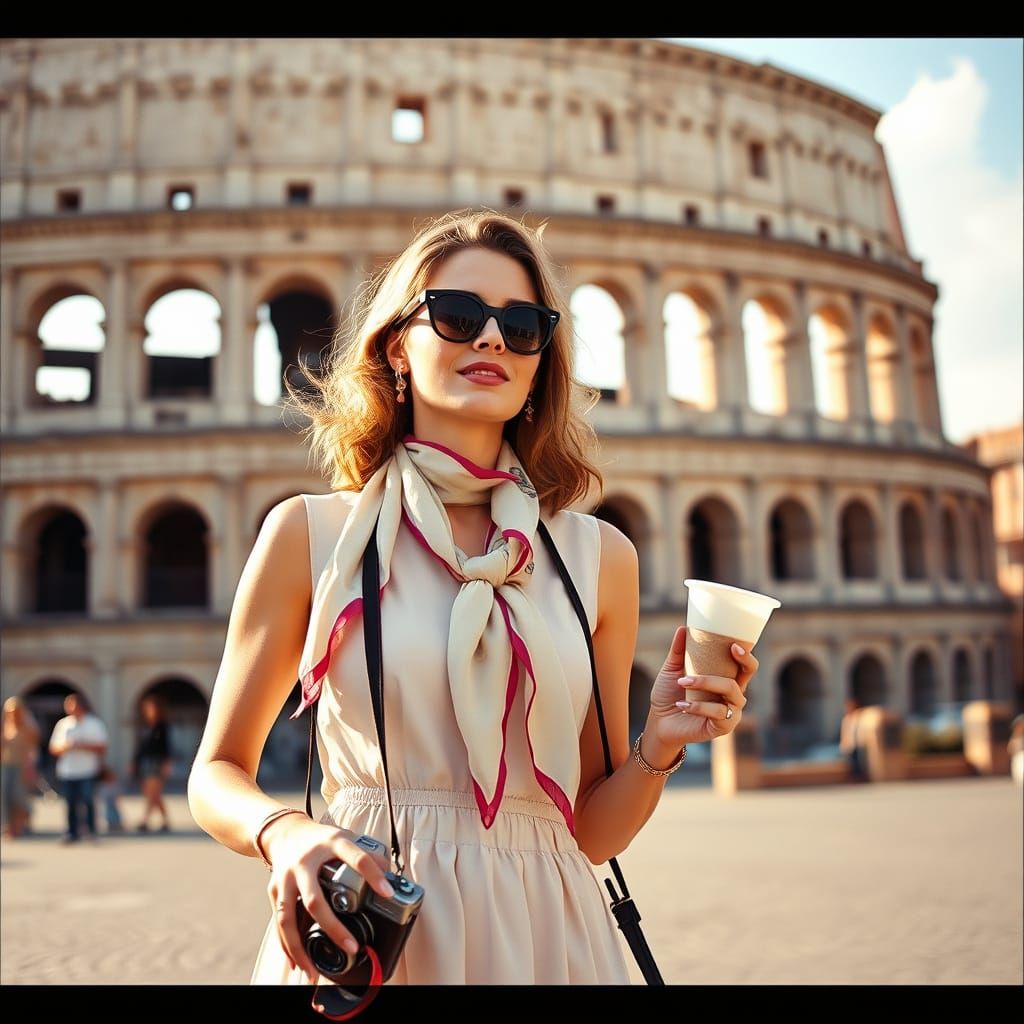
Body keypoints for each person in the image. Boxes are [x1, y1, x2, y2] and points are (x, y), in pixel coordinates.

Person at [187, 208, 760, 987]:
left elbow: (590, 833)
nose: (491, 339)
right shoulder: (312, 536)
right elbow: (216, 771)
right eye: (457, 317)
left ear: (537, 366)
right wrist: (285, 832)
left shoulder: (597, 557)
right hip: (379, 925)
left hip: (551, 934)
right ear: (397, 346)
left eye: (520, 326)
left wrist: (660, 742)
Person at [48, 693, 108, 844]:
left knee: (88, 801)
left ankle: (90, 831)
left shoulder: (94, 723)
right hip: (67, 770)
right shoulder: (63, 724)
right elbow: (53, 748)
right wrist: (66, 747)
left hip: (87, 769)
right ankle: (72, 832)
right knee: (70, 802)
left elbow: (102, 747)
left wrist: (83, 745)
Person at [132, 695, 173, 833]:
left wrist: (167, 763)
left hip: (157, 762)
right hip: (145, 762)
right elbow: (140, 747)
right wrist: (134, 761)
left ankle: (144, 820)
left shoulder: (162, 727)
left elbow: (167, 746)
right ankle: (165, 820)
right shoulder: (145, 726)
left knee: (152, 793)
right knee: (154, 794)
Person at [1, 696, 41, 839]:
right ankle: (8, 825)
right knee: (5, 795)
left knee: (19, 796)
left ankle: (20, 826)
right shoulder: (5, 727)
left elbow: (33, 750)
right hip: (6, 765)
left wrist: (30, 768)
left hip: (22, 765)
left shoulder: (28, 727)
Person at [839, 698, 867, 783]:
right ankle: (854, 777)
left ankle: (859, 777)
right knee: (851, 762)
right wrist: (843, 743)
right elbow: (844, 732)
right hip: (849, 744)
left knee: (858, 762)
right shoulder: (846, 719)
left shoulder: (858, 717)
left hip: (857, 744)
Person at [97, 762, 125, 833]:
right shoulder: (103, 786)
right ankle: (111, 824)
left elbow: (118, 793)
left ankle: (117, 824)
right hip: (108, 803)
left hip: (113, 803)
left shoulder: (114, 785)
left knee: (115, 813)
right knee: (108, 813)